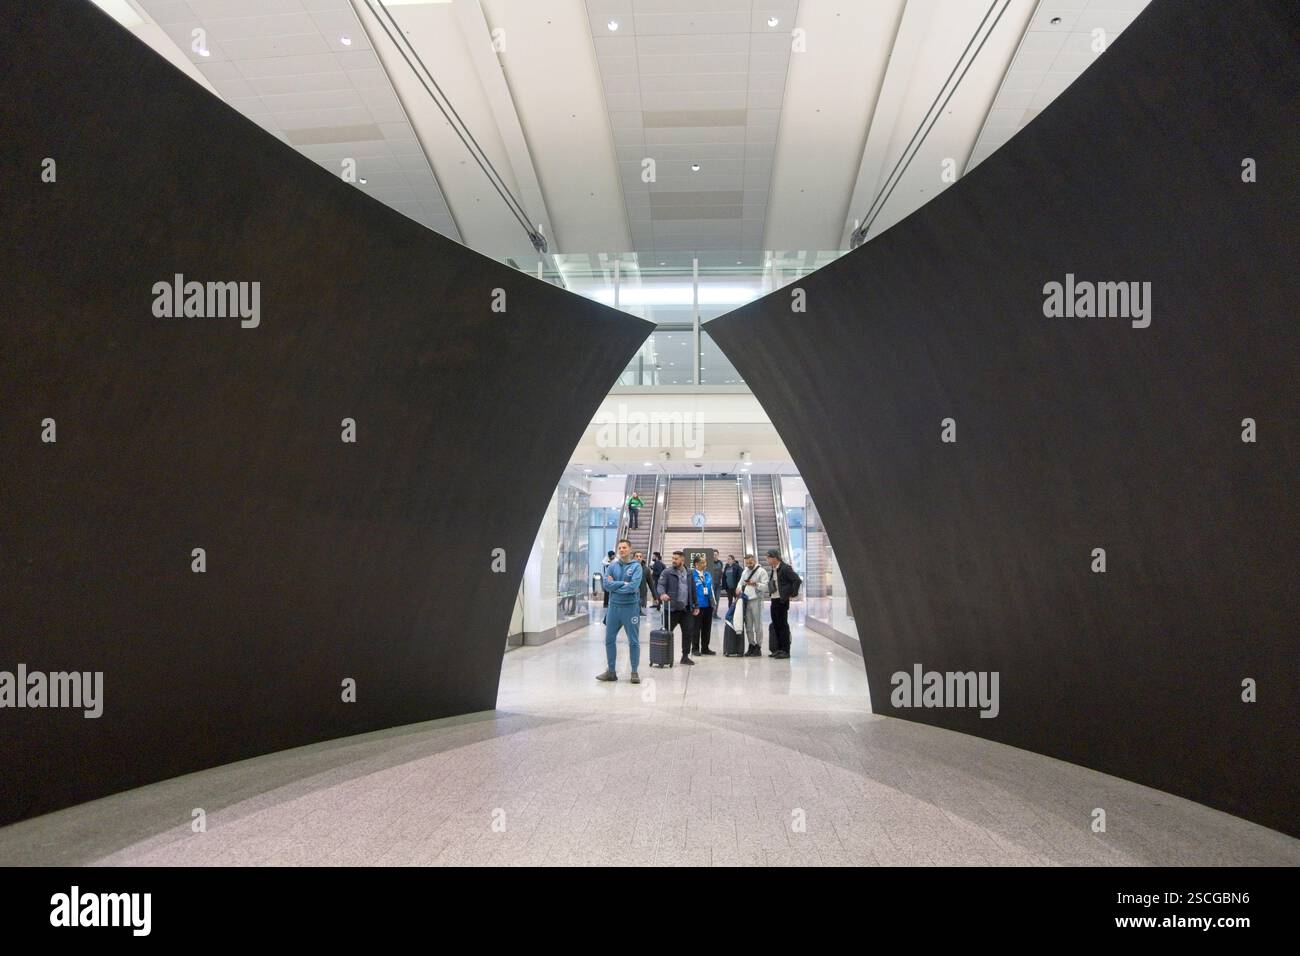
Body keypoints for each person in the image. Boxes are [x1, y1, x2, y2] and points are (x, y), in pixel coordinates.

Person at [598, 539, 642, 683]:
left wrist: (615, 587)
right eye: (620, 548)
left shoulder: (636, 567)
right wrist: (623, 583)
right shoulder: (612, 566)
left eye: (624, 547)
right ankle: (611, 671)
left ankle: (634, 671)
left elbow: (633, 586)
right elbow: (606, 585)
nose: (622, 550)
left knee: (633, 641)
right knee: (609, 640)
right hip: (613, 609)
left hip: (630, 609)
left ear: (630, 549)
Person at [656, 551, 698, 666]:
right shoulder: (667, 572)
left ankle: (685, 657)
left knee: (688, 633)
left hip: (686, 609)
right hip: (671, 609)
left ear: (682, 560)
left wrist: (696, 605)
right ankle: (663, 657)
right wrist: (662, 594)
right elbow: (660, 585)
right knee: (666, 633)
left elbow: (693, 589)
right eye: (673, 558)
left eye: (676, 559)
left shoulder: (689, 572)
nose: (674, 560)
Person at [764, 550, 802, 659]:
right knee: (776, 625)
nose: (767, 560)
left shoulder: (785, 568)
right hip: (774, 599)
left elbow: (797, 580)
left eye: (768, 558)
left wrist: (792, 593)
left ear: (774, 557)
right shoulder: (774, 568)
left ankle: (785, 650)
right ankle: (779, 649)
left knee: (783, 625)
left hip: (782, 600)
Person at [736, 554, 768, 657]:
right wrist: (738, 589)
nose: (749, 565)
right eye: (747, 563)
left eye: (751, 562)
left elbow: (765, 587)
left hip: (756, 601)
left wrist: (755, 584)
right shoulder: (745, 571)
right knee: (748, 625)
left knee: (757, 625)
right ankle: (751, 644)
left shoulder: (761, 571)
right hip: (746, 601)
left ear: (754, 560)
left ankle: (758, 646)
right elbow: (740, 583)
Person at [691, 554, 717, 656]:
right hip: (697, 606)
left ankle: (705, 648)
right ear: (696, 564)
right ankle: (695, 648)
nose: (705, 564)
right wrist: (693, 605)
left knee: (707, 628)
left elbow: (711, 590)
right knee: (696, 628)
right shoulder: (692, 576)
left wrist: (714, 603)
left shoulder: (708, 575)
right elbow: (690, 591)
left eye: (705, 562)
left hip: (708, 605)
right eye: (702, 562)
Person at [600, 550, 615, 621]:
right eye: (611, 556)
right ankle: (605, 603)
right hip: (607, 576)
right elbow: (603, 562)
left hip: (614, 577)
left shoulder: (615, 559)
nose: (613, 557)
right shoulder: (606, 558)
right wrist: (609, 564)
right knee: (606, 590)